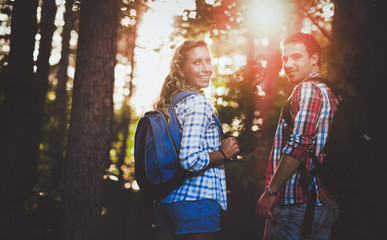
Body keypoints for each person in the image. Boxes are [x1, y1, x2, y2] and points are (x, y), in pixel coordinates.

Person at [153, 39, 240, 240]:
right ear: (181, 71)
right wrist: (224, 153)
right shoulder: (198, 103)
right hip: (196, 203)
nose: (206, 68)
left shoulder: (171, 105)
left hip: (166, 201)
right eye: (197, 62)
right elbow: (190, 160)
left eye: (208, 61)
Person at [256, 32, 340, 239]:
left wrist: (271, 191)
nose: (288, 64)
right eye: (285, 58)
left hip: (297, 200)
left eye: (296, 57)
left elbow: (299, 144)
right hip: (323, 200)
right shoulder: (330, 91)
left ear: (314, 59)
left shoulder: (309, 90)